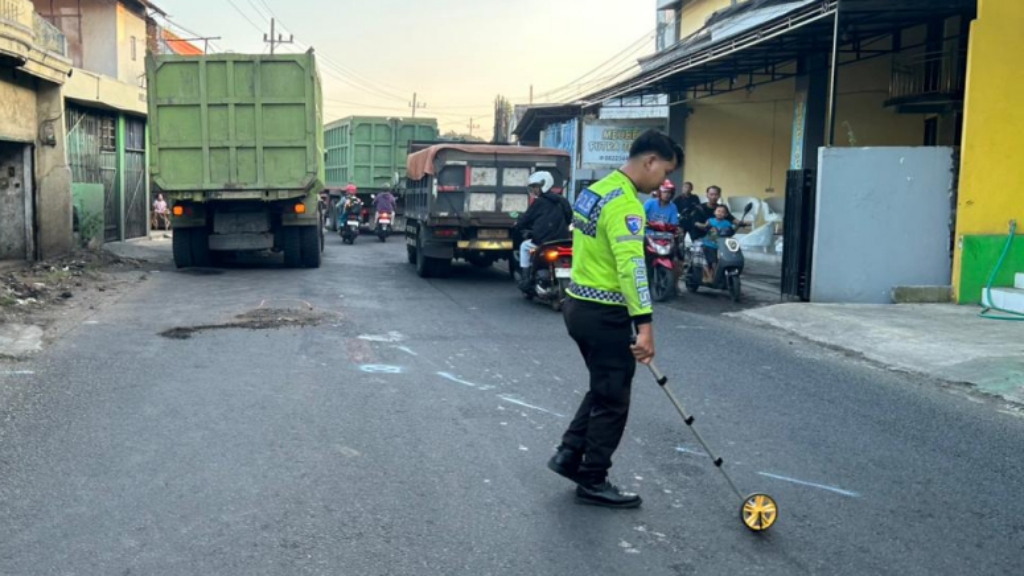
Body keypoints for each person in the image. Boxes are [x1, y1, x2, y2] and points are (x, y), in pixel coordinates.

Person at [547, 129, 683, 509]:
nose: (663, 182)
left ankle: (569, 454)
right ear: (650, 161)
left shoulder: (594, 191)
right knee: (613, 398)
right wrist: (645, 326)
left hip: (578, 304)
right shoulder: (626, 204)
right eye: (664, 172)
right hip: (604, 312)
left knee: (603, 386)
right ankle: (593, 478)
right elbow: (632, 268)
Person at [513, 171, 572, 289]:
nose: (534, 190)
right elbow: (569, 217)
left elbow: (526, 219)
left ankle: (525, 278)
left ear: (544, 185)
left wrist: (518, 225)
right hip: (563, 240)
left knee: (524, 246)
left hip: (543, 241)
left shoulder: (539, 202)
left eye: (535, 187)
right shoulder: (563, 200)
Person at [696, 205, 735, 283]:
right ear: (715, 212)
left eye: (722, 212)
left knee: (718, 262)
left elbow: (730, 232)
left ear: (726, 214)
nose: (720, 213)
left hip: (720, 245)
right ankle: (710, 276)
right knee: (711, 262)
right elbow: (705, 228)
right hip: (708, 243)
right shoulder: (710, 221)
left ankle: (716, 276)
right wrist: (704, 226)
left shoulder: (727, 223)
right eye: (718, 211)